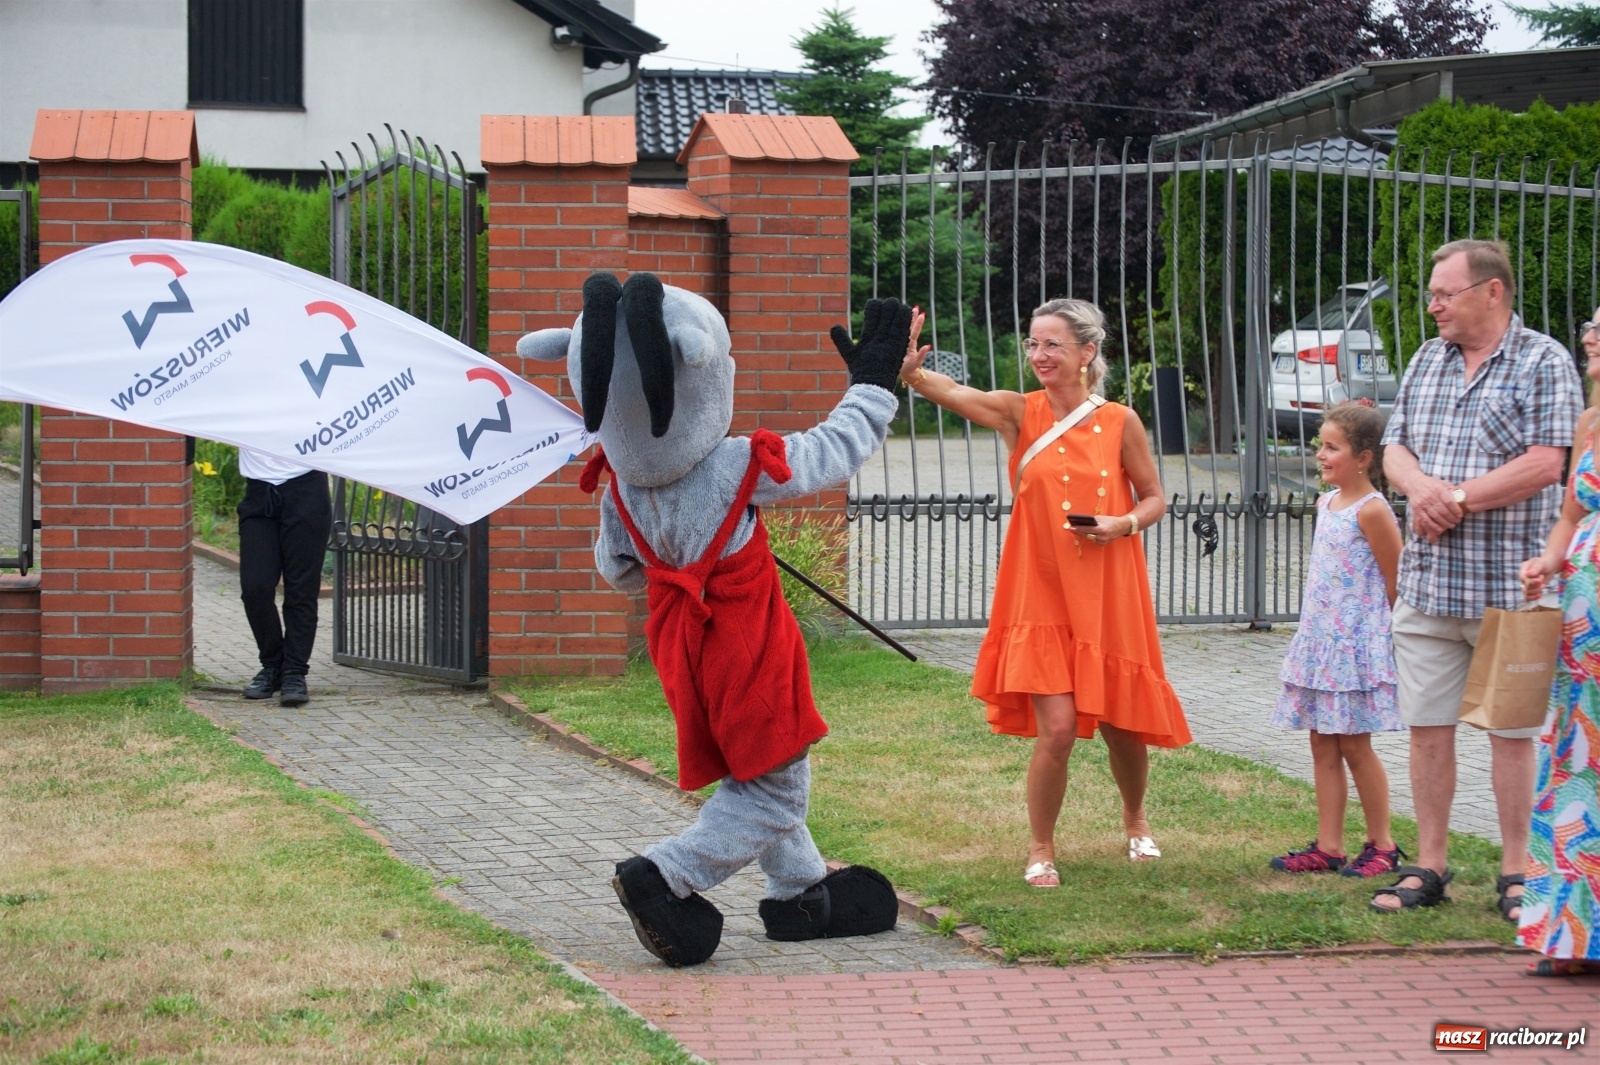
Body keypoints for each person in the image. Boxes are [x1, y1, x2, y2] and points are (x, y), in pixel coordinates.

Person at [901, 298, 1191, 887]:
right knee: (1056, 728)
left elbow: (1155, 496)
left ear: (1088, 351)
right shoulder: (1019, 412)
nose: (1039, 355)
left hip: (1108, 590)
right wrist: (910, 370)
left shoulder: (1120, 422)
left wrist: (1123, 524)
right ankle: (1041, 847)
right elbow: (954, 393)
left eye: (1052, 344)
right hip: (1039, 591)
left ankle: (1135, 819)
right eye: (1034, 344)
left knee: (1123, 725)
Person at [1374, 239, 1583, 915]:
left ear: (1492, 292)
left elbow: (1547, 462)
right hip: (1430, 584)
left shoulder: (1543, 360)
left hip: (1508, 588)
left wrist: (1454, 498)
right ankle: (1428, 864)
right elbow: (1393, 448)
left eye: (1445, 293)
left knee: (1511, 732)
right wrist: (1422, 487)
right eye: (1432, 292)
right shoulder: (1427, 358)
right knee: (1427, 728)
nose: (1432, 304)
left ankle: (1516, 871)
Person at [1267, 402, 1405, 877]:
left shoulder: (1372, 510)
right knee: (1322, 743)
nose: (1321, 456)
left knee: (1354, 746)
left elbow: (1395, 580)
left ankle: (1382, 844)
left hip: (1353, 648)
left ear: (1364, 457)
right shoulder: (1327, 503)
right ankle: (1329, 846)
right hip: (1320, 642)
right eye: (1320, 446)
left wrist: (1382, 643)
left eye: (1332, 447)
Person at [1516, 312, 1600, 976]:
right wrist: (1546, 561)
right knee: (1578, 770)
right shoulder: (1590, 422)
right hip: (1582, 625)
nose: (1589, 337)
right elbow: (1572, 513)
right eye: (1590, 326)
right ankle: (1571, 934)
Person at [236, 447, 332, 707]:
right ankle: (272, 665)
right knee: (255, 587)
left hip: (307, 490)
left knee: (301, 590)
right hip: (259, 493)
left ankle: (294, 672)